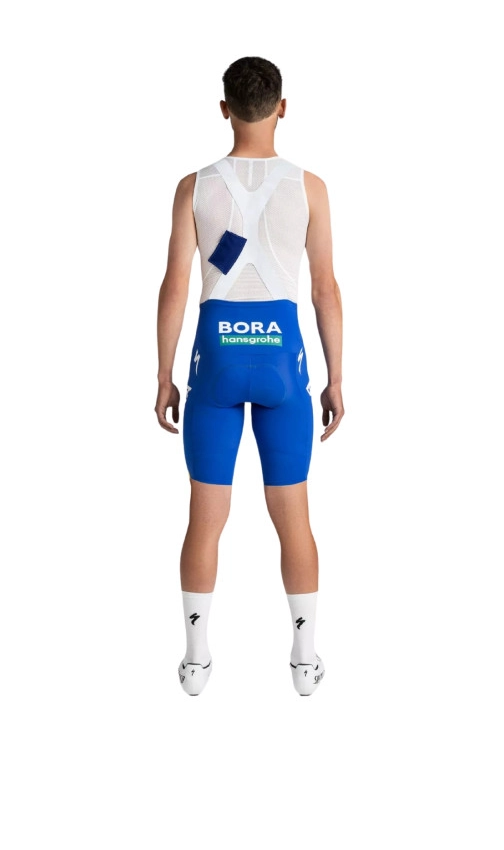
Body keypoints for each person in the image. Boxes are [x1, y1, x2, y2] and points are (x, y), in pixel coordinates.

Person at [155, 56, 344, 696]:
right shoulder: (310, 187)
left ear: (224, 109)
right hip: (283, 363)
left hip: (216, 360)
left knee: (205, 518)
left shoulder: (193, 187)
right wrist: (336, 377)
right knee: (294, 517)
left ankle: (196, 661)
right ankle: (304, 662)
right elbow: (325, 290)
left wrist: (163, 374)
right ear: (282, 107)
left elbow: (175, 286)